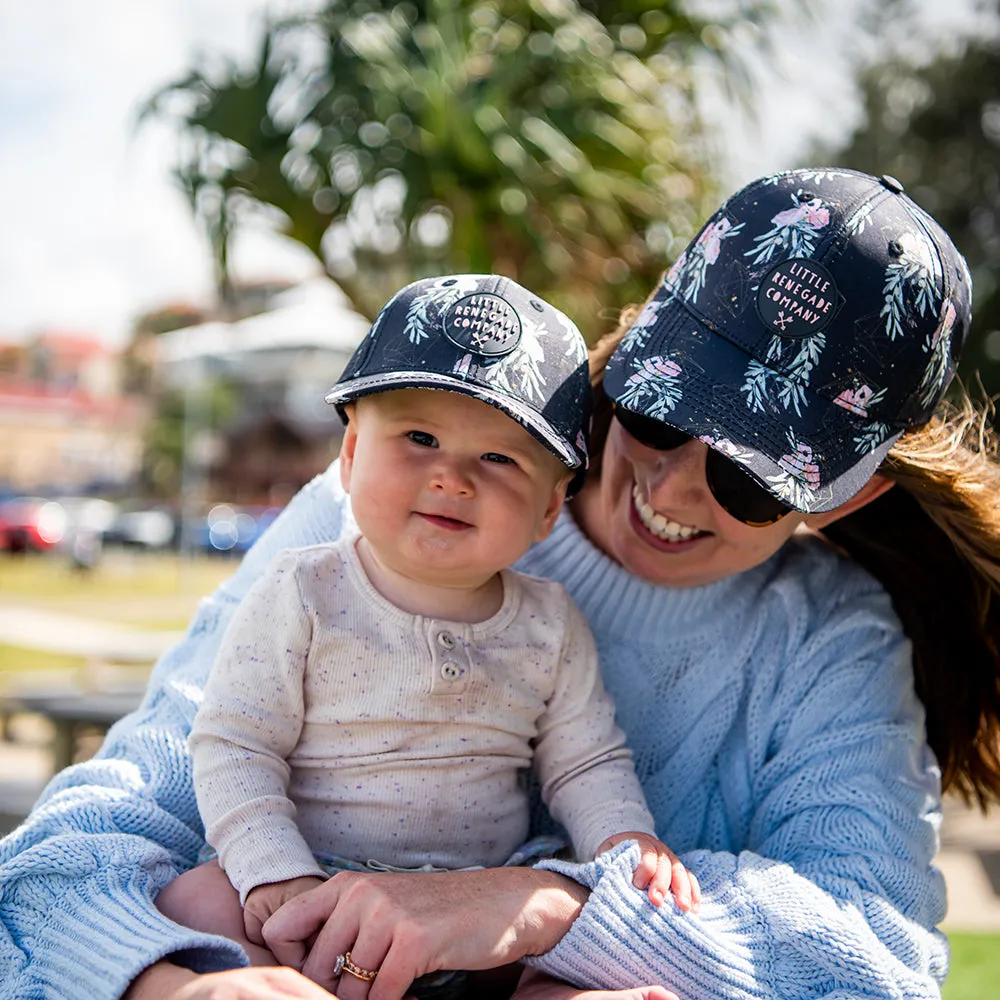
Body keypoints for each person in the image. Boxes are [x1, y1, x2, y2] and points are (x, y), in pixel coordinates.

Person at [3, 167, 1000, 1000]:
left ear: (846, 495)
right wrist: (172, 984)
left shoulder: (832, 638)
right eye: (656, 412)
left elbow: (878, 958)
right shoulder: (379, 513)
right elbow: (68, 860)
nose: (669, 484)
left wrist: (543, 910)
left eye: (749, 477)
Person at [153, 275, 693, 979]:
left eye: (499, 458)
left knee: (578, 930)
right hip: (312, 880)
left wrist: (629, 845)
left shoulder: (548, 624)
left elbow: (585, 763)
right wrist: (274, 874)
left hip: (476, 899)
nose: (454, 477)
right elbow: (235, 744)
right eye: (420, 437)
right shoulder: (305, 590)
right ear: (349, 458)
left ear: (547, 512)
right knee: (194, 901)